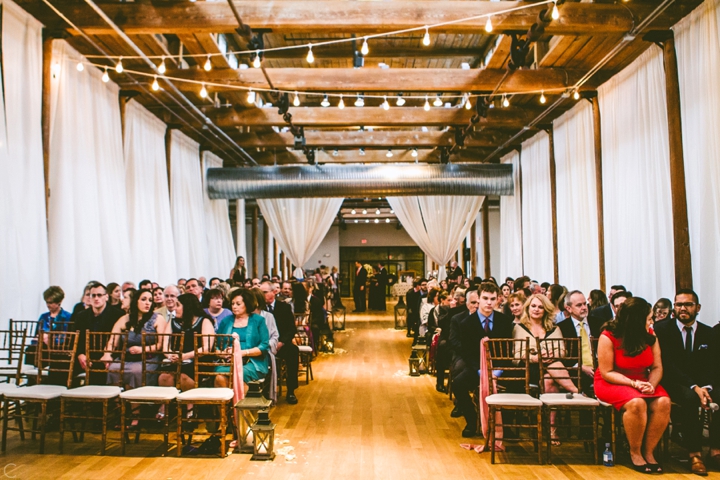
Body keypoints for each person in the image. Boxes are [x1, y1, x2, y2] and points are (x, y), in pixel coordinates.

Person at [595, 297, 670, 474]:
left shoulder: (650, 335)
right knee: (637, 403)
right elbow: (607, 371)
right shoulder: (608, 336)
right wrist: (632, 383)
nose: (652, 321)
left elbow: (657, 366)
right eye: (649, 318)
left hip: (642, 380)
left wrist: (651, 384)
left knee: (663, 403)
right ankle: (634, 452)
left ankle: (649, 451)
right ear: (637, 320)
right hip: (612, 380)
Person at [655, 289, 719, 475]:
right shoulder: (662, 329)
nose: (683, 308)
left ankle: (716, 451)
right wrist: (694, 387)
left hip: (701, 383)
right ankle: (694, 454)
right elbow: (667, 364)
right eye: (679, 304)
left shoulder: (708, 333)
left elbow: (711, 364)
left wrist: (706, 387)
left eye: (688, 304)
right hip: (672, 381)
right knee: (690, 398)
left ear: (697, 307)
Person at [513, 294, 579, 445]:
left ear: (546, 310)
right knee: (550, 369)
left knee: (549, 379)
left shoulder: (554, 329)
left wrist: (550, 354)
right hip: (530, 370)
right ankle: (576, 392)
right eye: (533, 306)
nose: (536, 309)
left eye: (540, 307)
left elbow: (562, 351)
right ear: (528, 308)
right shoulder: (519, 328)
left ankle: (551, 428)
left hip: (550, 370)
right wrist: (535, 358)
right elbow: (516, 355)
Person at [450, 284, 513, 437]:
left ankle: (506, 425)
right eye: (485, 298)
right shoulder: (466, 323)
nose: (489, 303)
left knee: (516, 384)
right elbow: (467, 352)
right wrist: (480, 370)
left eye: (492, 299)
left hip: (500, 367)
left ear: (498, 300)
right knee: (457, 384)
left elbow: (508, 350)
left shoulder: (504, 321)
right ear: (478, 299)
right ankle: (472, 421)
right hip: (476, 367)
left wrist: (498, 370)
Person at [156, 294, 215, 420]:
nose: (174, 308)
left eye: (178, 305)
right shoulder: (173, 322)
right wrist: (170, 354)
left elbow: (206, 347)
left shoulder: (204, 321)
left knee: (183, 376)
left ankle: (190, 407)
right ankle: (165, 406)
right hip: (178, 359)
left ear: (187, 307)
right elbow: (165, 345)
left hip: (198, 359)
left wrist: (184, 356)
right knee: (164, 376)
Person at [104, 289, 169, 389]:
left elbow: (161, 344)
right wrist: (107, 354)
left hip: (149, 357)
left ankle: (136, 402)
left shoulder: (158, 319)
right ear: (136, 301)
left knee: (136, 371)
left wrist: (142, 349)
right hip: (127, 357)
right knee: (114, 368)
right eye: (143, 299)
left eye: (150, 300)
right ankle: (117, 402)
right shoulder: (125, 318)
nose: (147, 303)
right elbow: (112, 341)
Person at [215, 289, 269, 393]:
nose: (234, 306)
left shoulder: (258, 320)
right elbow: (217, 345)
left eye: (238, 304)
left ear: (247, 304)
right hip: (228, 362)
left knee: (239, 374)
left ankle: (238, 407)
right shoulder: (226, 321)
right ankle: (226, 408)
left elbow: (264, 346)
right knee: (219, 377)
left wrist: (242, 353)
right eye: (232, 304)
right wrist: (223, 354)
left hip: (252, 362)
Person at [73, 282, 125, 385]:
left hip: (106, 355)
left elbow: (120, 341)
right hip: (85, 355)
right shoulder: (81, 316)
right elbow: (77, 338)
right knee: (59, 365)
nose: (96, 298)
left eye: (99, 295)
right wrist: (80, 354)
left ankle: (96, 399)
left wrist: (109, 355)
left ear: (106, 297)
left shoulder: (117, 315)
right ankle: (64, 398)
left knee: (98, 368)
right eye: (93, 295)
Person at [261, 281, 299, 404]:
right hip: (264, 344)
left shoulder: (284, 307)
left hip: (281, 343)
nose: (262, 295)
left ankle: (291, 390)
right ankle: (265, 391)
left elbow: (291, 329)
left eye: (265, 292)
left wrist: (281, 342)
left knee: (293, 352)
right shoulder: (259, 309)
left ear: (274, 292)